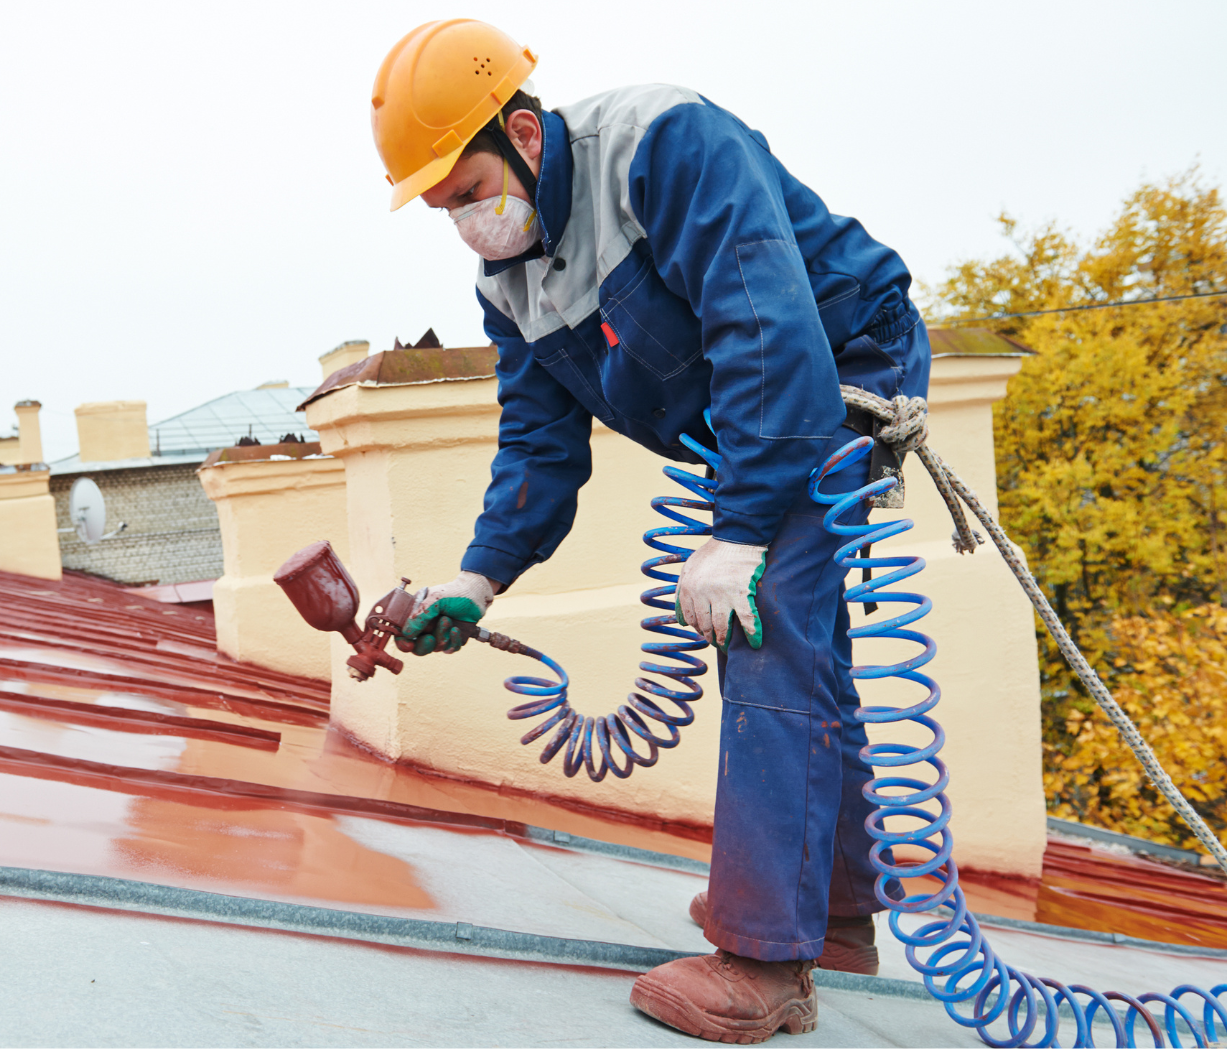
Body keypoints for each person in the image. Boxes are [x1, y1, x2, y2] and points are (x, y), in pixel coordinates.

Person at [371, 19, 930, 1045]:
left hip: (836, 363)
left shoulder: (664, 144)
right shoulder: (512, 283)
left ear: (527, 135)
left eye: (467, 192)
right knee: (795, 628)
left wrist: (742, 531)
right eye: (444, 209)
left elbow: (767, 326)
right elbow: (538, 450)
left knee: (762, 621)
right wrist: (478, 582)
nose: (464, 223)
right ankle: (838, 917)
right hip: (750, 400)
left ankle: (767, 963)